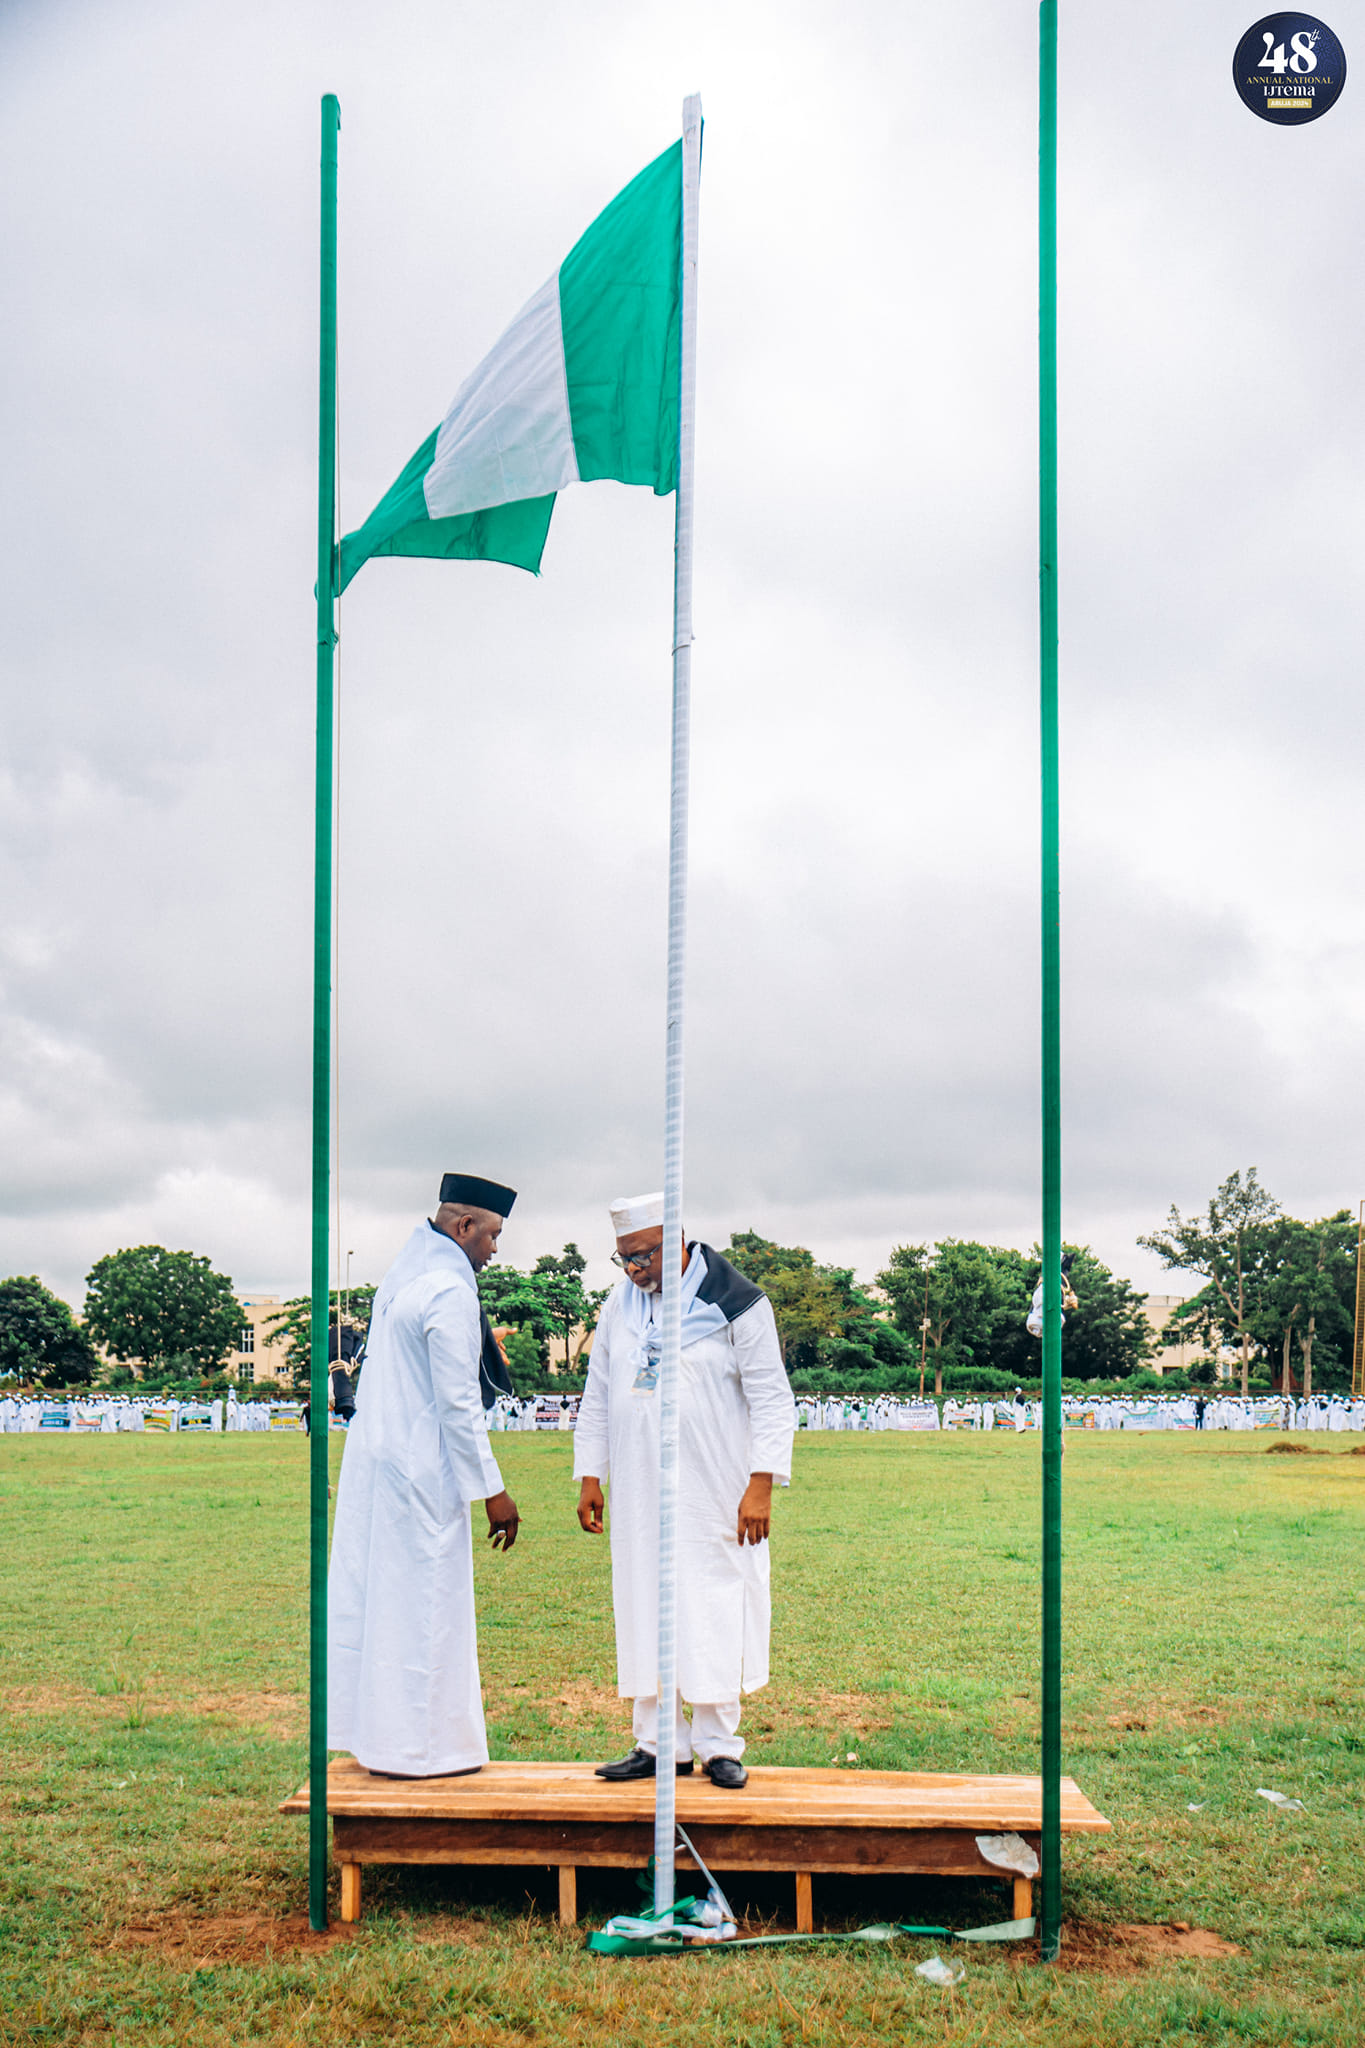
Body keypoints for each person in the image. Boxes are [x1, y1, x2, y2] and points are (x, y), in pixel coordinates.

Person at [574, 1192, 796, 1790]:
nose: (633, 1270)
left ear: (676, 1243)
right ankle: (657, 1743)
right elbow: (598, 1393)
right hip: (640, 1487)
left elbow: (773, 1398)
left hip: (716, 1488)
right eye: (623, 1259)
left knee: (715, 1602)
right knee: (646, 1601)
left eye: (642, 1257)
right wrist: (591, 1475)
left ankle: (719, 1743)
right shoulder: (618, 1305)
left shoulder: (738, 1302)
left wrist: (761, 1485)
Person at [328, 1173, 520, 1778]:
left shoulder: (400, 1279)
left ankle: (387, 1741)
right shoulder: (447, 1288)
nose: (494, 1251)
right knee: (428, 1606)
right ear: (463, 1227)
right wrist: (493, 1491)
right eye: (491, 1236)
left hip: (381, 1466)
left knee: (386, 1604)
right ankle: (428, 1750)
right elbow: (458, 1404)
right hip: (422, 1471)